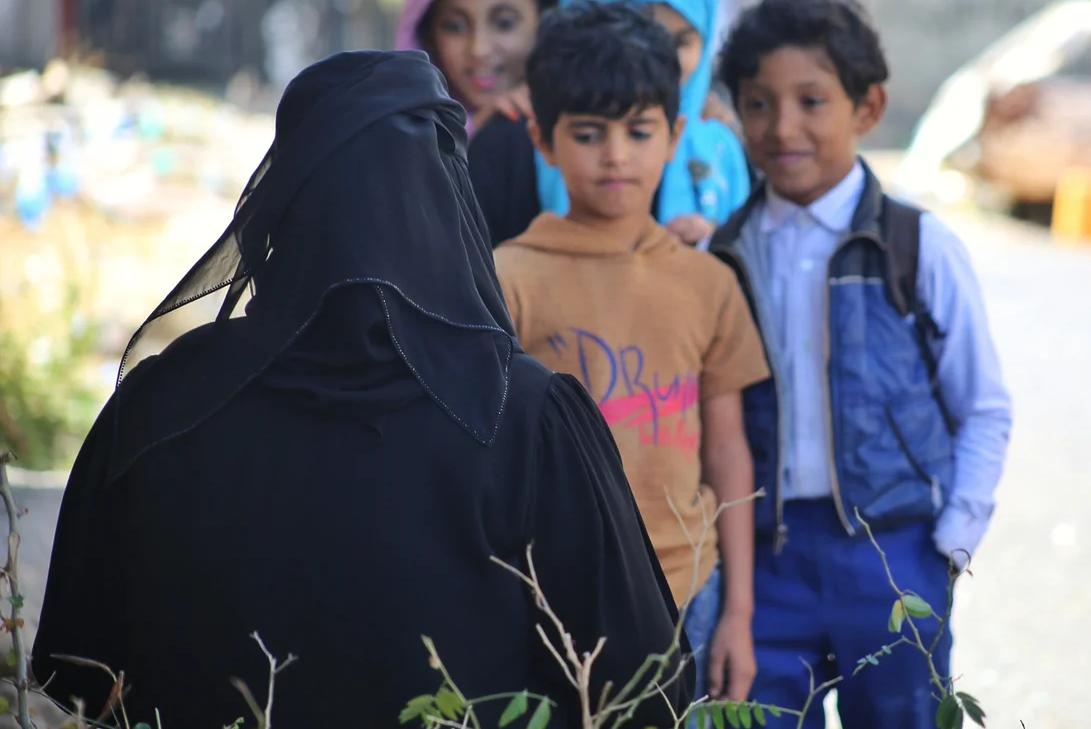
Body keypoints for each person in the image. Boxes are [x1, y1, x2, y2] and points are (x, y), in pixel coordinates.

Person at [31, 51, 689, 729]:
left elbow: (80, 670)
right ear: (445, 199)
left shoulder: (161, 406)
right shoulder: (522, 418)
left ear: (284, 204)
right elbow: (641, 686)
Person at [707, 0, 1014, 728]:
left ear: (867, 106)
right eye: (758, 102)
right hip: (766, 563)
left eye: (812, 100)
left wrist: (949, 545)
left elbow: (983, 405)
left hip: (893, 554)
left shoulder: (916, 245)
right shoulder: (725, 256)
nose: (783, 126)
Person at [493, 0, 770, 707]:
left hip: (690, 591)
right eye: (588, 133)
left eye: (639, 131)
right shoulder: (507, 279)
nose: (616, 154)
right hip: (556, 601)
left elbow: (729, 450)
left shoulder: (708, 280)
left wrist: (737, 611)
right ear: (543, 138)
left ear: (675, 134)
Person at [532, 0, 752, 248]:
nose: (666, 65)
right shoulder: (515, 146)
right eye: (587, 136)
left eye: (681, 42)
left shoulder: (721, 151)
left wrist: (715, 252)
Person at [396, 0, 563, 246]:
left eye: (504, 22)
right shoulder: (396, 149)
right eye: (455, 26)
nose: (479, 49)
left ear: (545, 20)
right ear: (426, 34)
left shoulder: (586, 122)